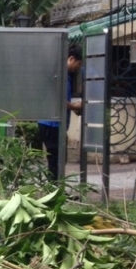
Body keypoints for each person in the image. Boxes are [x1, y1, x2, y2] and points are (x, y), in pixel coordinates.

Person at [38, 45, 83, 180]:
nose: (78, 67)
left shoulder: (64, 74)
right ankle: (54, 190)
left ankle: (56, 188)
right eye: (78, 63)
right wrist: (74, 106)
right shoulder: (59, 74)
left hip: (54, 123)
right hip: (51, 124)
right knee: (56, 159)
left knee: (59, 158)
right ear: (71, 58)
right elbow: (57, 100)